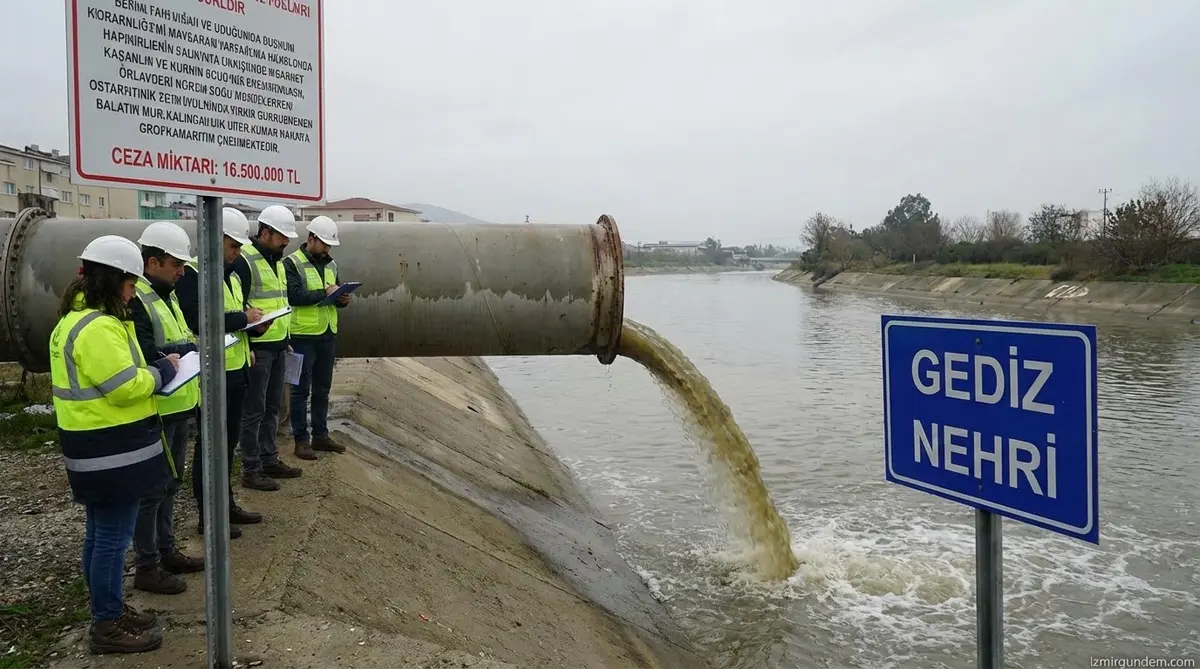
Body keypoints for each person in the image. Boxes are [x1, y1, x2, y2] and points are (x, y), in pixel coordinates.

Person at [49, 235, 180, 654]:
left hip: (93, 446)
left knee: (99, 534)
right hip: (111, 450)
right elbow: (124, 387)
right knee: (110, 538)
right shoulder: (98, 327)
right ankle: (106, 624)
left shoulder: (74, 320)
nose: (133, 293)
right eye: (130, 284)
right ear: (113, 280)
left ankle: (108, 610)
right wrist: (162, 372)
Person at [174, 208, 265, 538]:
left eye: (239, 247)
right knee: (210, 448)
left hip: (237, 369)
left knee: (228, 445)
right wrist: (244, 318)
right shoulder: (192, 276)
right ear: (214, 239)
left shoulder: (235, 276)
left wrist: (254, 328)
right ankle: (208, 518)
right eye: (232, 246)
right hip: (212, 375)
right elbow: (200, 319)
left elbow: (236, 321)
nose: (237, 253)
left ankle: (225, 506)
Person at [128, 221, 205, 595]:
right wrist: (183, 354)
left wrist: (190, 350)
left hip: (179, 404)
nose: (181, 272)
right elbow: (144, 354)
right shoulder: (138, 300)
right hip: (158, 408)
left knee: (170, 484)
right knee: (152, 490)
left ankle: (166, 550)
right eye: (176, 264)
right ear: (153, 261)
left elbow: (179, 340)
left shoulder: (165, 294)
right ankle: (147, 565)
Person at [231, 204, 303, 491]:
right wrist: (248, 335)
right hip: (257, 348)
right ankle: (251, 466)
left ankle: (269, 458)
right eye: (281, 236)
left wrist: (284, 338)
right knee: (254, 409)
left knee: (273, 406)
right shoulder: (245, 261)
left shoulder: (277, 262)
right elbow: (236, 304)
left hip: (276, 346)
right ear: (264, 232)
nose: (286, 241)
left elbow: (279, 302)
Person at [283, 216, 351, 460]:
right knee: (301, 390)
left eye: (330, 245)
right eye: (323, 243)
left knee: (323, 388)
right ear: (310, 238)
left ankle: (320, 435)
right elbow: (293, 295)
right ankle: (301, 440)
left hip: (326, 334)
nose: (327, 249)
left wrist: (342, 299)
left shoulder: (331, 265)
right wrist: (325, 292)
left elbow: (334, 292)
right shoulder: (291, 263)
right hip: (302, 336)